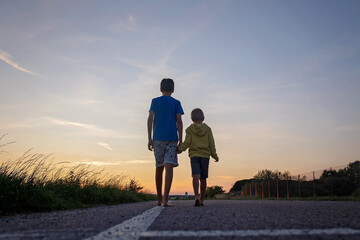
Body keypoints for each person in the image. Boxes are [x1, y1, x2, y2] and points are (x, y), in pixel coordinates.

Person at [147, 78, 184, 207]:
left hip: (157, 138)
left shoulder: (155, 101)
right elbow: (179, 121)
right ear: (173, 90)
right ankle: (165, 200)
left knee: (159, 167)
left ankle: (158, 199)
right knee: (169, 167)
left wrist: (149, 138)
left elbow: (150, 119)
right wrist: (181, 139)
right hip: (172, 138)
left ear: (160, 89)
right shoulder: (176, 103)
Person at [178, 108, 219, 206]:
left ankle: (196, 196)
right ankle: (201, 199)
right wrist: (214, 155)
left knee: (195, 176)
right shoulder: (208, 129)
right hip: (205, 155)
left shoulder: (189, 129)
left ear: (192, 119)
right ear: (203, 118)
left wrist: (180, 149)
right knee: (203, 178)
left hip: (194, 155)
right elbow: (211, 143)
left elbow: (187, 142)